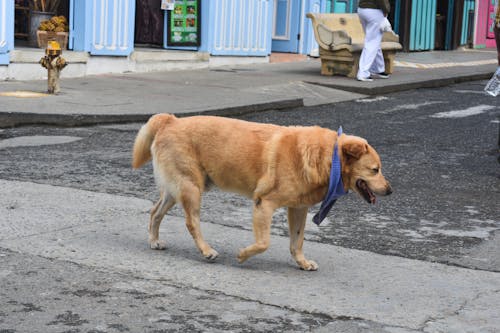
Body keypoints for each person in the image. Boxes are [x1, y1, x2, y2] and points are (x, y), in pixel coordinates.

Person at [356, 0, 391, 82]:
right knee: (372, 43)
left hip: (362, 10)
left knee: (374, 41)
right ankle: (363, 73)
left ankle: (378, 69)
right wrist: (386, 10)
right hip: (374, 11)